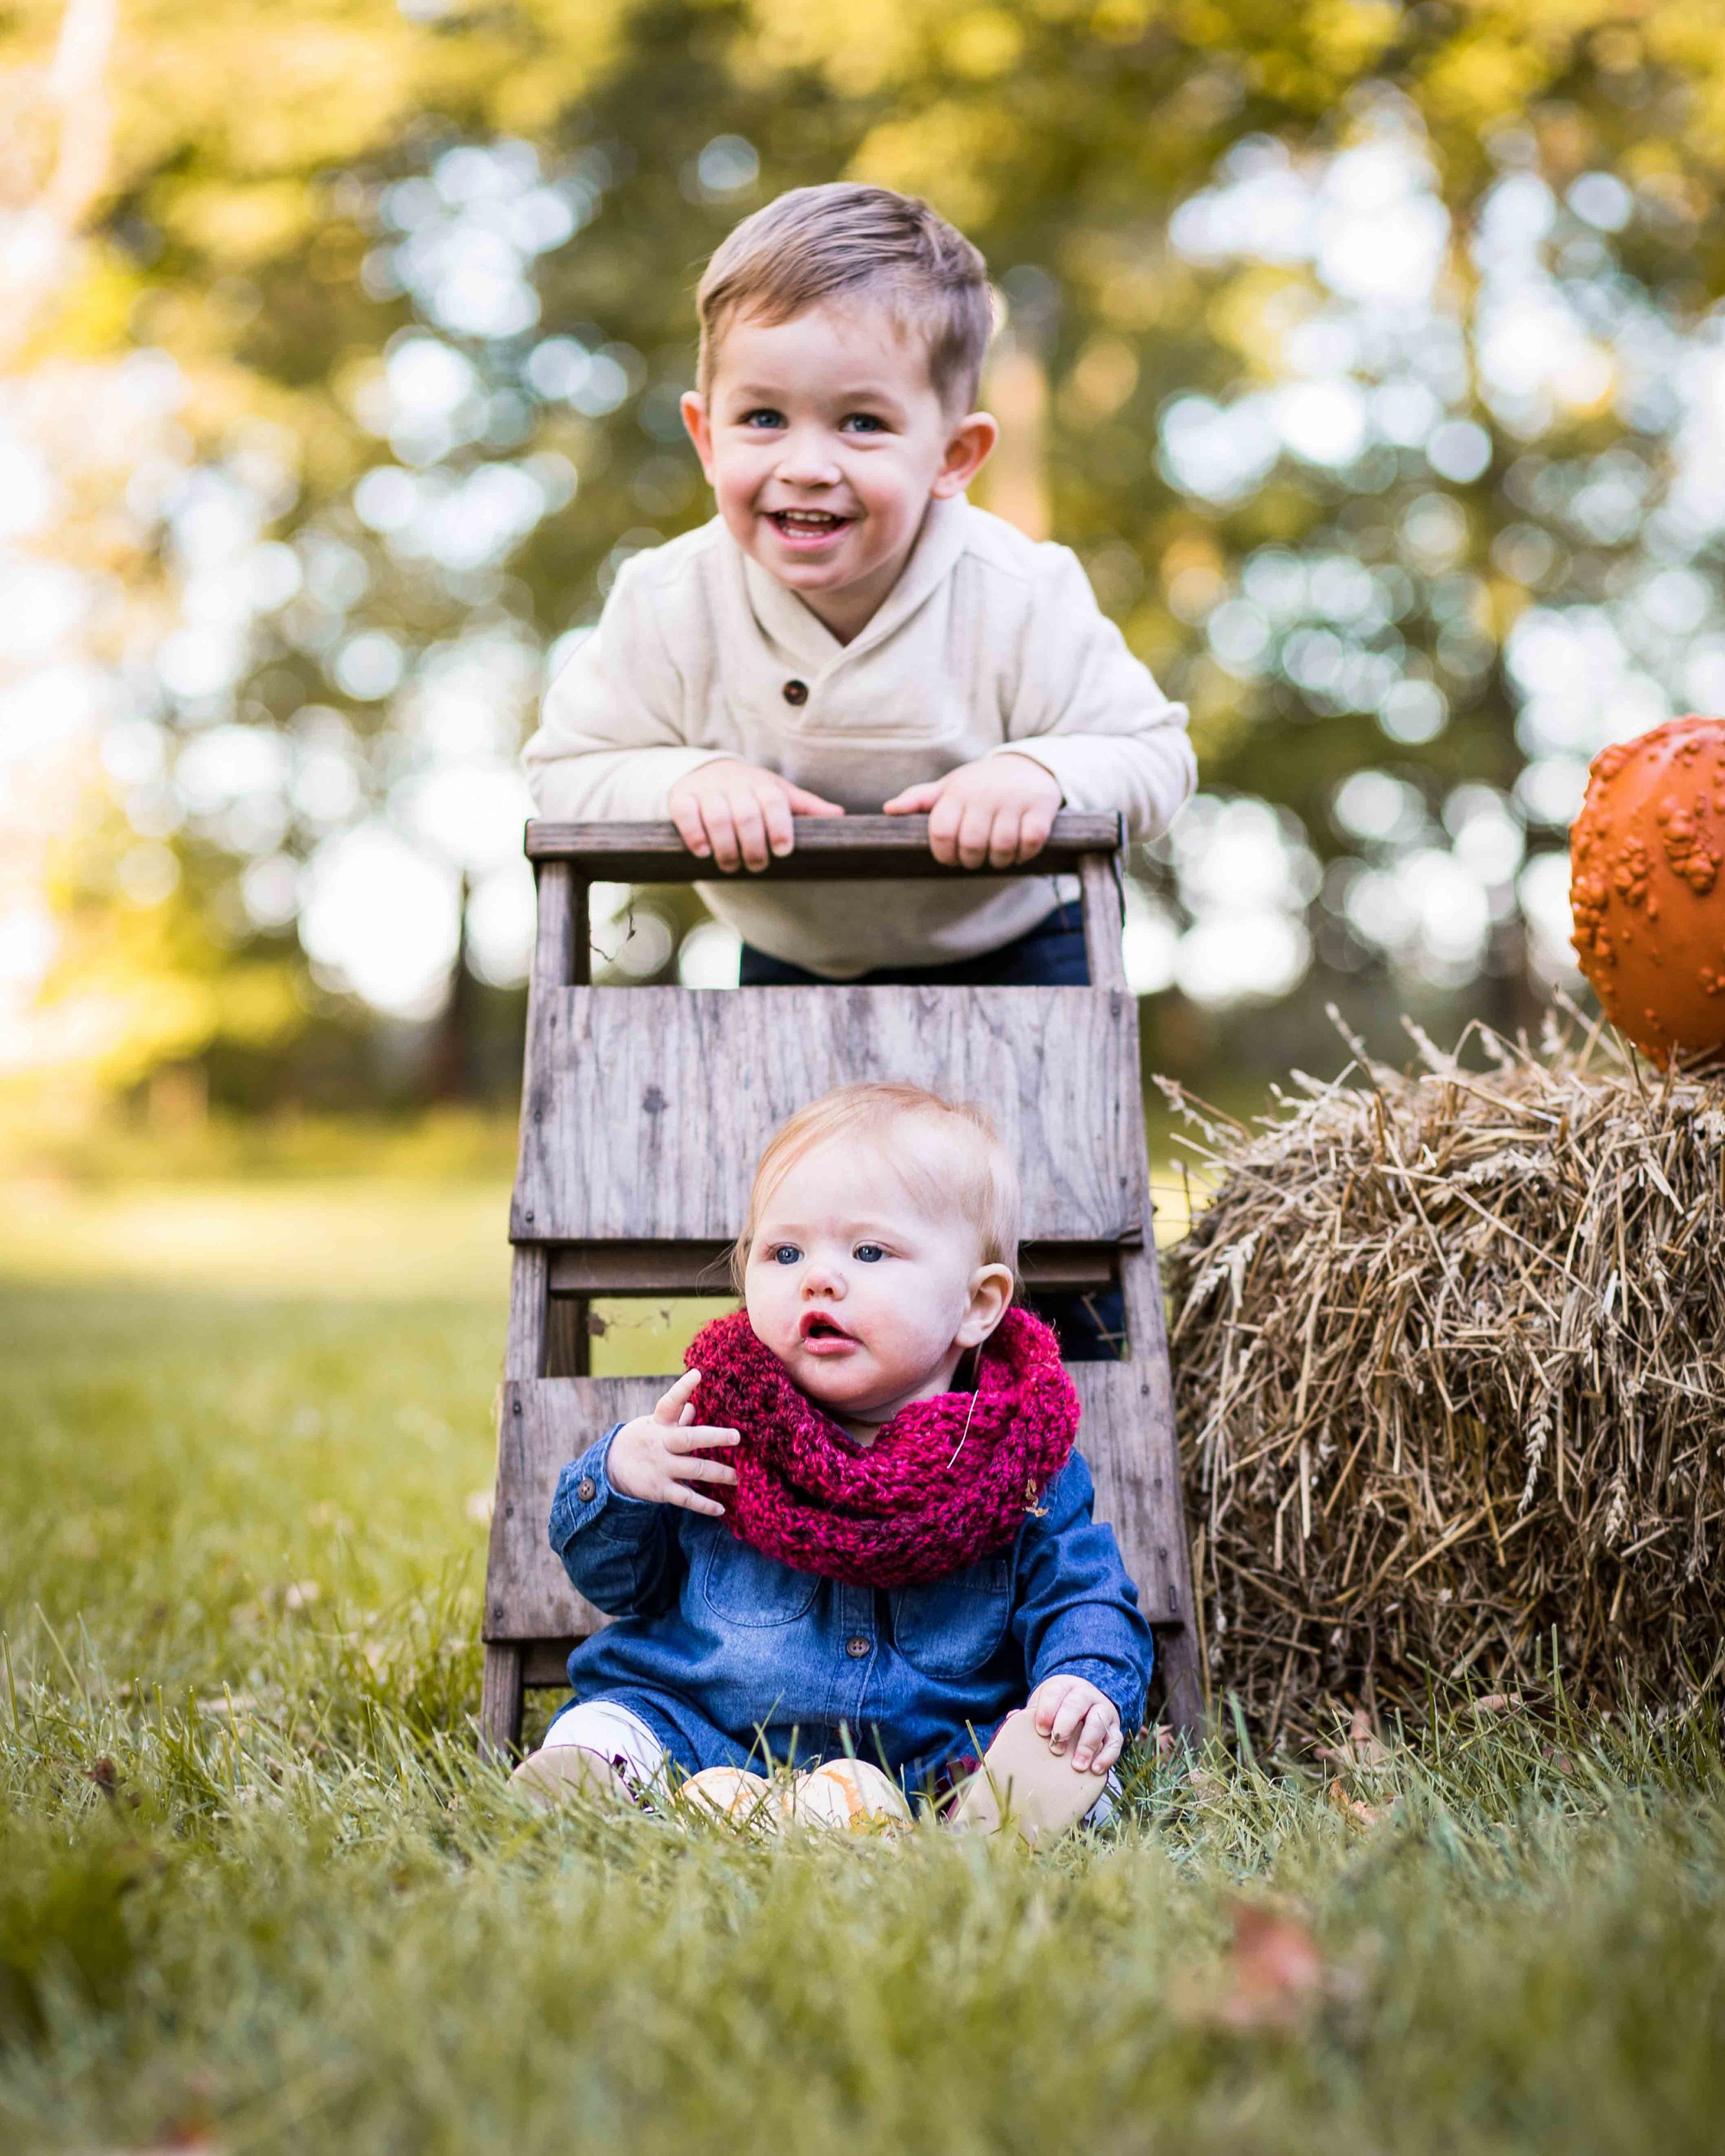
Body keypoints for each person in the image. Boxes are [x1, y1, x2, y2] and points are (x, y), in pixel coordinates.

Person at [520, 179, 1194, 990]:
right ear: (705, 436)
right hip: (797, 951)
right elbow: (563, 774)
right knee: (792, 1125)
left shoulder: (1017, 592)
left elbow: (1154, 757)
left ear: (953, 457)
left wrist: (1038, 774)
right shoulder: (671, 600)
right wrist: (685, 779)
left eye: (862, 423)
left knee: (1028, 1121)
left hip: (1019, 943)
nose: (806, 468)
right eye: (763, 418)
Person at [511, 1084, 1154, 1838]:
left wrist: (1084, 1679)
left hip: (933, 1754)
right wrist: (624, 1477)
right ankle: (599, 1778)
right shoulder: (712, 1426)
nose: (817, 1276)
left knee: (1060, 1756)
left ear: (977, 1304)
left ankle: (992, 1816)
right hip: (704, 1727)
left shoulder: (1015, 1460)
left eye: (869, 1250)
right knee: (613, 1724)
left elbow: (1084, 1595)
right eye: (784, 1252)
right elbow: (621, 1584)